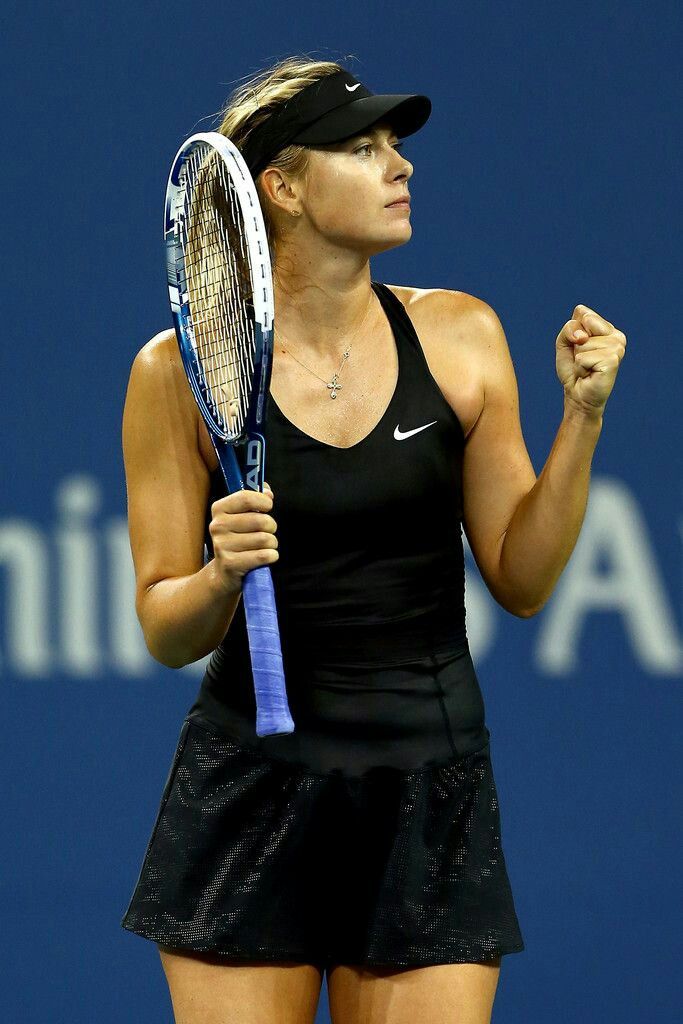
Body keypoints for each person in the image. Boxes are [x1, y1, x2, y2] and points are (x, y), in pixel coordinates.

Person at [120, 56, 626, 1024]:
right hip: (249, 788)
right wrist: (222, 573)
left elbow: (520, 579)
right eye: (361, 148)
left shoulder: (462, 335)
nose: (398, 166)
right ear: (284, 188)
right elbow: (164, 628)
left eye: (395, 146)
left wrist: (582, 420)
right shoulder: (170, 373)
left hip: (426, 786)